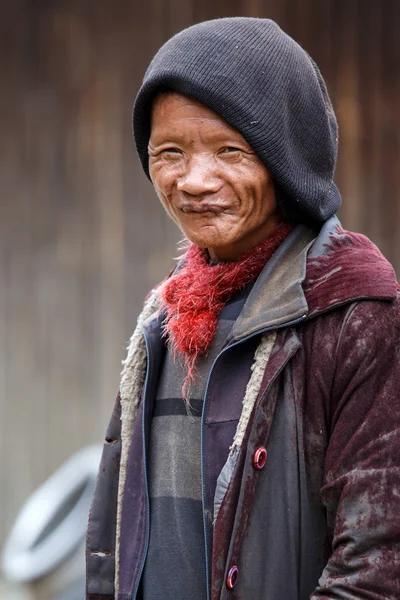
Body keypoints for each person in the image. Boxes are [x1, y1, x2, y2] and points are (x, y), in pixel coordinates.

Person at [86, 17, 400, 600]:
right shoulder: (168, 318)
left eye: (230, 150)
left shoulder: (356, 316)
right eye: (169, 152)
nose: (194, 181)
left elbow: (377, 564)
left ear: (289, 160)